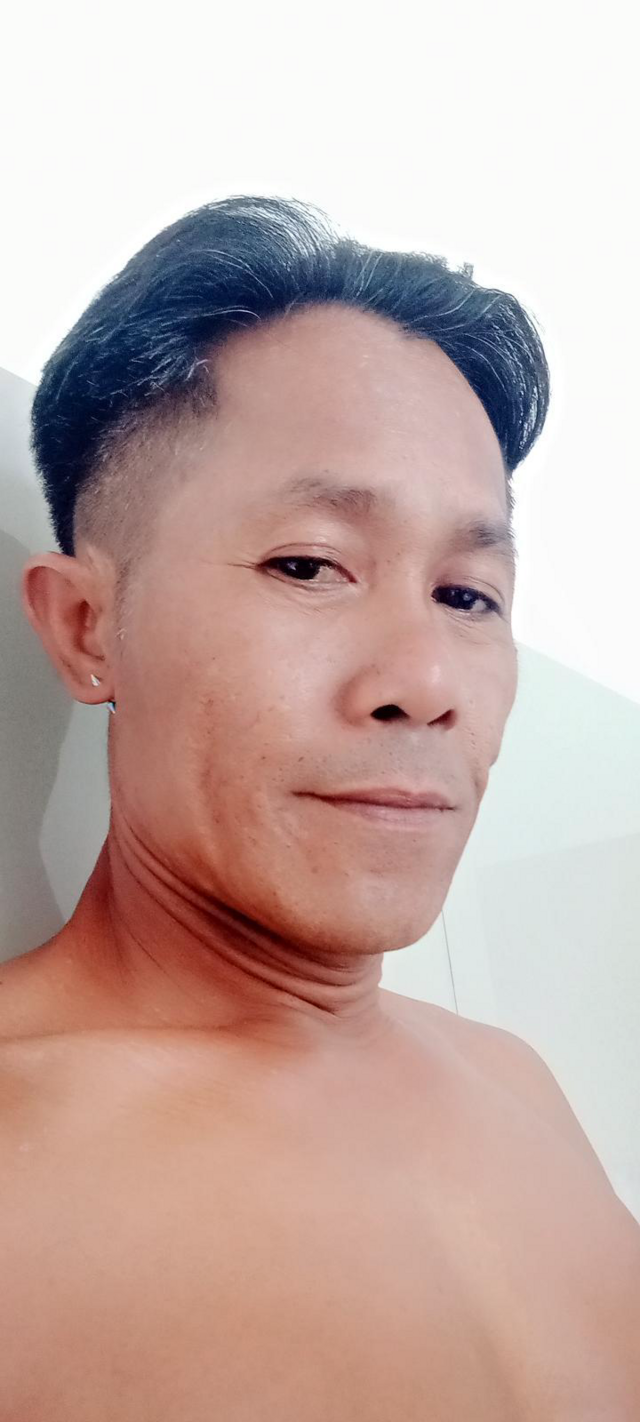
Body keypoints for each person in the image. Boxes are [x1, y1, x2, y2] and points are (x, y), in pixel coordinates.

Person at [1, 195, 638, 1419]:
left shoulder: (518, 1086)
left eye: (467, 595)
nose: (425, 683)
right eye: (308, 565)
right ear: (86, 627)